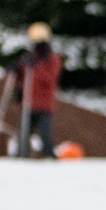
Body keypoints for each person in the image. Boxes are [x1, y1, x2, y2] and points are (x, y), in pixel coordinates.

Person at [14, 23, 62, 160]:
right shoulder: (29, 58)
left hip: (45, 106)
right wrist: (15, 69)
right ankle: (20, 157)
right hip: (28, 104)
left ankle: (50, 158)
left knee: (46, 136)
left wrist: (35, 67)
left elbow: (50, 79)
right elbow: (21, 78)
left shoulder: (53, 59)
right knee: (23, 135)